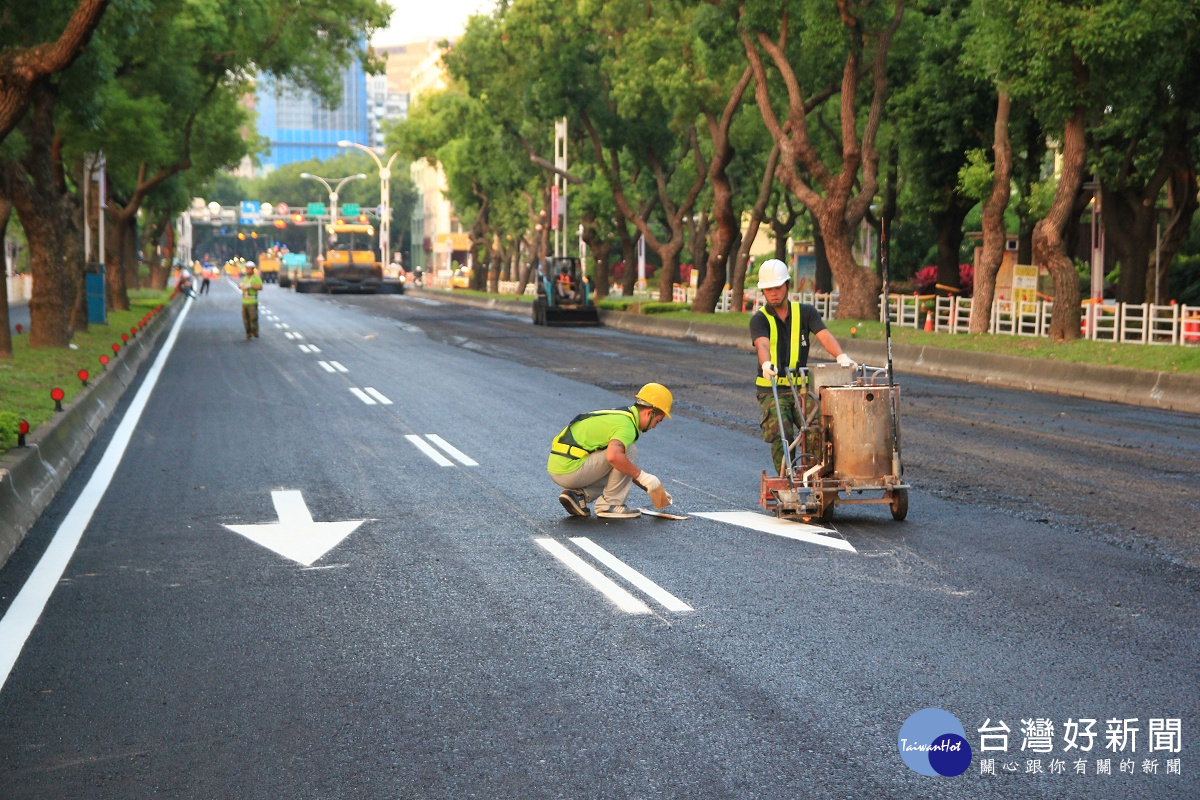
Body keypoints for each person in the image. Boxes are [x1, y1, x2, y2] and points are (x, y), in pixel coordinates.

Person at [751, 259, 856, 474]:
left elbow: (824, 335)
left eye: (777, 287)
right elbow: (762, 344)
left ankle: (813, 476)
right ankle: (786, 476)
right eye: (768, 289)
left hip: (801, 390)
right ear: (763, 291)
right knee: (783, 434)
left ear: (787, 286)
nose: (773, 293)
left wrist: (841, 356)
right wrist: (766, 363)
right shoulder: (759, 319)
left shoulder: (806, 312)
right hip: (772, 391)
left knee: (818, 429)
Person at [548, 383, 674, 519]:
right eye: (658, 421)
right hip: (570, 470)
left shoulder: (621, 415)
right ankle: (610, 505)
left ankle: (578, 494)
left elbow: (623, 471)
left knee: (621, 463)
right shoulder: (627, 426)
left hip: (561, 466)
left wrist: (651, 486)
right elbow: (614, 457)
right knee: (628, 451)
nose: (655, 426)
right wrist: (644, 477)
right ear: (649, 413)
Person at [239, 262, 263, 340]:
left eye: (248, 268)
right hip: (245, 301)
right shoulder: (244, 278)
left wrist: (252, 286)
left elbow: (260, 287)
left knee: (253, 317)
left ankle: (254, 331)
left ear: (252, 269)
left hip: (252, 301)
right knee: (245, 318)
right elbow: (240, 285)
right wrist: (241, 286)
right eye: (246, 268)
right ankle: (248, 333)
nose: (247, 270)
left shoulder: (256, 278)